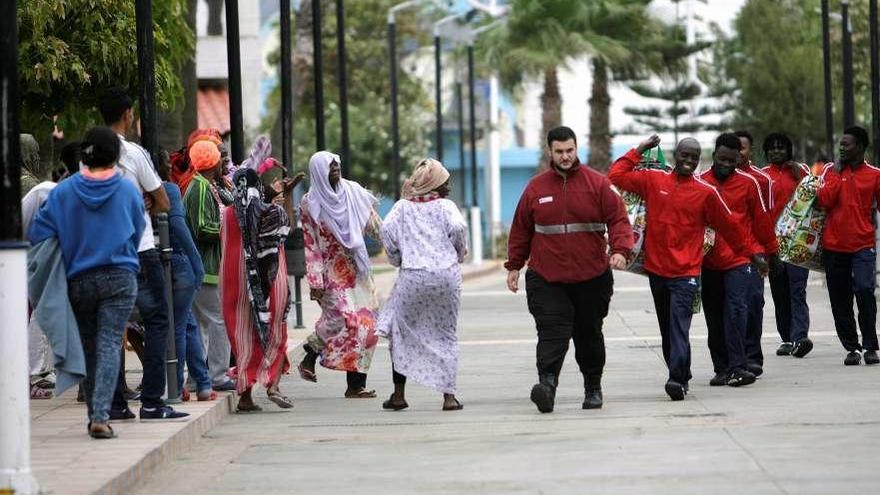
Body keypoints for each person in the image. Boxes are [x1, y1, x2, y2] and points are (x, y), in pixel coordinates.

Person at [609, 135, 760, 401]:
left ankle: (676, 379)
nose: (689, 160)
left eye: (694, 156)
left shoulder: (705, 193)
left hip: (687, 274)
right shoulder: (654, 181)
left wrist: (753, 254)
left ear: (700, 159)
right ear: (675, 156)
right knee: (667, 330)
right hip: (657, 271)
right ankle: (682, 373)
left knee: (679, 326)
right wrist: (641, 148)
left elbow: (730, 228)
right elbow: (617, 174)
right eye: (684, 155)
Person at [506, 126, 633, 413]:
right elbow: (521, 230)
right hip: (547, 277)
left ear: (577, 149)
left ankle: (593, 387)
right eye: (559, 151)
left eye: (570, 150)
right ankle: (547, 386)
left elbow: (619, 220)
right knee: (551, 333)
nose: (565, 156)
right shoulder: (536, 188)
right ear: (550, 151)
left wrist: (620, 251)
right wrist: (514, 266)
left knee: (588, 334)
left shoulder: (597, 184)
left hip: (592, 277)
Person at [29, 126, 145, 438]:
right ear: (117, 156)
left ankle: (95, 410)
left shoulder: (63, 191)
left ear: (84, 155)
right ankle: (100, 416)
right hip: (120, 276)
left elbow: (38, 232)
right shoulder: (127, 190)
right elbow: (136, 231)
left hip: (78, 278)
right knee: (109, 343)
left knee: (90, 345)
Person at [100, 88, 188, 421]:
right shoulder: (133, 153)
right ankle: (152, 401)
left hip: (104, 253)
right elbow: (163, 199)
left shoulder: (89, 154)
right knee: (157, 320)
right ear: (127, 114)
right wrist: (147, 202)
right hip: (139, 249)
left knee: (112, 326)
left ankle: (115, 403)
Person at [377, 159, 468, 411]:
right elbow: (459, 227)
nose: (448, 187)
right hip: (445, 277)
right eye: (445, 182)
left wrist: (397, 257)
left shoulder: (402, 207)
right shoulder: (446, 206)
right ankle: (449, 397)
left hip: (413, 277)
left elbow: (385, 229)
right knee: (445, 333)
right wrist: (458, 253)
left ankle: (398, 395)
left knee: (400, 332)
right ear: (435, 184)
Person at [298, 151, 382, 398]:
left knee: (368, 325)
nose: (335, 169)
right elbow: (310, 243)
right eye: (330, 166)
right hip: (331, 272)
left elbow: (374, 225)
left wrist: (398, 246)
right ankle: (309, 354)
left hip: (358, 267)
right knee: (343, 319)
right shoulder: (309, 203)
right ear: (319, 172)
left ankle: (356, 385)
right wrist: (315, 280)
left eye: (337, 164)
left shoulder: (353, 193)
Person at [221, 161, 302, 412]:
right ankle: (273, 386)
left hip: (234, 281)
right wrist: (284, 196)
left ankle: (245, 398)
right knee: (276, 332)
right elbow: (286, 230)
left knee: (243, 335)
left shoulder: (226, 213)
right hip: (270, 281)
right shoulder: (272, 212)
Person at [698, 133, 777, 388]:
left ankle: (738, 366)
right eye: (722, 159)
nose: (727, 165)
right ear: (714, 156)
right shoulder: (701, 183)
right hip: (709, 262)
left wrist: (771, 253)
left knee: (737, 310)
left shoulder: (748, 183)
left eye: (732, 161)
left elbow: (762, 220)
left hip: (740, 259)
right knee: (714, 315)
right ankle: (721, 368)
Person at [816, 126, 880, 366]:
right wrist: (835, 175)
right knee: (839, 298)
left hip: (863, 245)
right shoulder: (829, 172)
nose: (841, 148)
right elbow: (823, 200)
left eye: (847, 144)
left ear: (861, 147)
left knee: (864, 291)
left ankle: (870, 346)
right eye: (840, 145)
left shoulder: (875, 174)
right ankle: (851, 347)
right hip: (834, 246)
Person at [155, 151, 216, 402]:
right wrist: (197, 262)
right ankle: (177, 385)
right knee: (179, 326)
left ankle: (202, 382)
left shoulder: (134, 189)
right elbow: (179, 227)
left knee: (188, 324)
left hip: (149, 262)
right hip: (176, 263)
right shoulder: (168, 190)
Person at [22, 141, 81, 399]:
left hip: (50, 259)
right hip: (39, 258)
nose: (36, 158)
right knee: (41, 312)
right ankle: (35, 372)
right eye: (32, 153)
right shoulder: (42, 189)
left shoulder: (53, 188)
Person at [183, 139, 235, 391]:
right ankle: (218, 376)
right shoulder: (201, 188)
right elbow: (202, 227)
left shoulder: (201, 185)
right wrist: (229, 230)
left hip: (200, 268)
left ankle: (195, 378)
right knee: (217, 320)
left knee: (199, 324)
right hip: (206, 268)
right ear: (212, 163)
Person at [761, 133, 813, 357]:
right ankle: (786, 338)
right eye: (772, 148)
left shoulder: (802, 172)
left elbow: (815, 196)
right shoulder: (762, 176)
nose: (776, 152)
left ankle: (800, 337)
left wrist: (801, 175)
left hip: (797, 243)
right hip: (773, 245)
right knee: (780, 293)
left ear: (789, 150)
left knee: (797, 291)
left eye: (781, 148)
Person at [734, 130, 774, 373]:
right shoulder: (710, 179)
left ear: (751, 150)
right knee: (732, 308)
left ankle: (752, 356)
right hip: (725, 255)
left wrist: (768, 254)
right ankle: (733, 357)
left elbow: (764, 219)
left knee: (753, 303)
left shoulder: (761, 180)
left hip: (754, 252)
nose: (739, 153)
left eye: (743, 148)